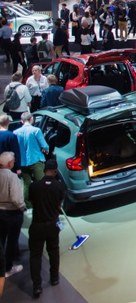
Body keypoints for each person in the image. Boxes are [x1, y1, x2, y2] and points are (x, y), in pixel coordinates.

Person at [28, 158, 65, 299]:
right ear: (55, 171)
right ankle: (54, 278)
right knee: (54, 251)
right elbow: (59, 204)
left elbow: (32, 201)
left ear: (44, 170)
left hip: (37, 225)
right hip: (52, 225)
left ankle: (36, 286)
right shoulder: (59, 186)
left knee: (35, 255)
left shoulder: (34, 186)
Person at [14, 112, 47, 208]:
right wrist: (47, 149)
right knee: (41, 184)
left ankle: (28, 205)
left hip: (22, 163)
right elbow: (44, 145)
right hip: (36, 160)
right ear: (31, 119)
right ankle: (42, 203)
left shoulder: (15, 132)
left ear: (21, 121)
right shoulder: (36, 130)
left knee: (26, 184)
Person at [0, 151, 24, 279]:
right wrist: (22, 207)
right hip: (12, 213)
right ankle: (8, 268)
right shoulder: (12, 177)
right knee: (12, 241)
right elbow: (16, 198)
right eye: (14, 161)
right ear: (10, 163)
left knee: (1, 240)